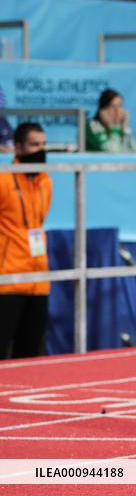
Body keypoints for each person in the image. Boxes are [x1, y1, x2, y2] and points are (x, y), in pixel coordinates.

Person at [0, 123, 51, 359]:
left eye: (43, 144)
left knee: (30, 356)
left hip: (38, 278)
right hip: (8, 279)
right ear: (18, 148)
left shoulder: (45, 182)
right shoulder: (3, 180)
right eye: (34, 145)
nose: (40, 150)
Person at [86, 88, 136, 153]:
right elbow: (112, 151)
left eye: (120, 106)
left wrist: (125, 129)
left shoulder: (120, 127)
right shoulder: (92, 125)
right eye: (113, 107)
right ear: (103, 110)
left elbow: (134, 151)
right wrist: (113, 128)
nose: (118, 111)